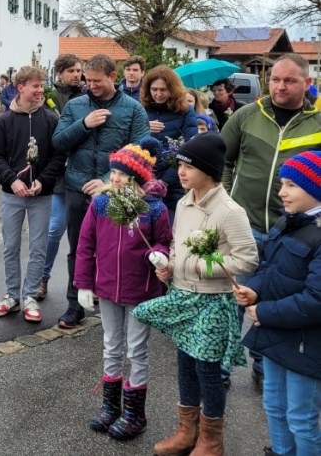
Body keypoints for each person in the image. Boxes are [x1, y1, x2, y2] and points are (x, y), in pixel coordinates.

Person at [133, 133, 258, 456]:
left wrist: (205, 266)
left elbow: (247, 258)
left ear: (209, 171)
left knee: (207, 369)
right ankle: (187, 430)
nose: (181, 172)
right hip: (182, 294)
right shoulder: (184, 202)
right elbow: (178, 244)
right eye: (180, 165)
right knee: (185, 363)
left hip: (213, 301)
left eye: (189, 166)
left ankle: (211, 440)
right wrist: (170, 266)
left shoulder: (230, 211)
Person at [222, 53, 321, 385]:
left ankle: (265, 361)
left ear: (308, 83)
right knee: (235, 296)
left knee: (276, 297)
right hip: (244, 225)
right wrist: (224, 201)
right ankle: (224, 364)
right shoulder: (247, 115)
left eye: (289, 80)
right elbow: (222, 160)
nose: (280, 86)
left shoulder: (318, 122)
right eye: (275, 79)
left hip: (294, 233)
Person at [75, 138, 172, 440]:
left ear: (138, 179)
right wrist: (84, 283)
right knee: (111, 345)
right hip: (107, 288)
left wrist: (159, 254)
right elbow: (85, 245)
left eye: (122, 175)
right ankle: (110, 405)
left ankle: (134, 412)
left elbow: (163, 241)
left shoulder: (154, 209)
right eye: (113, 172)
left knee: (137, 349)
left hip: (139, 290)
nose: (115, 179)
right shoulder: (101, 203)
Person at [53, 53, 150, 329]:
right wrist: (84, 124)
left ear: (112, 77)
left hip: (115, 192)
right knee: (78, 249)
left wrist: (106, 181)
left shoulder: (133, 109)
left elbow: (138, 151)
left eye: (96, 80)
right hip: (76, 187)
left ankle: (115, 302)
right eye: (88, 80)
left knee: (115, 249)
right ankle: (75, 306)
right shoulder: (76, 105)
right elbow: (59, 142)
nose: (91, 85)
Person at [234, 152, 321, 456]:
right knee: (274, 405)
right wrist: (254, 291)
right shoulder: (288, 223)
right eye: (282, 183)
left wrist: (263, 312)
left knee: (301, 418)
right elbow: (268, 268)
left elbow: (316, 301)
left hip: (305, 344)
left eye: (291, 185)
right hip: (274, 334)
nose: (282, 191)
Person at [0, 66, 65, 323]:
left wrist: (43, 181)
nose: (40, 91)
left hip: (41, 196)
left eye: (42, 86)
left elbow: (58, 156)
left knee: (38, 248)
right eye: (35, 86)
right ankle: (12, 295)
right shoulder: (5, 121)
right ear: (20, 87)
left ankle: (30, 295)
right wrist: (12, 181)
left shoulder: (51, 120)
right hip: (13, 195)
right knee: (11, 247)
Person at [41, 53, 84, 299]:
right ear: (60, 73)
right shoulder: (51, 98)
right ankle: (43, 277)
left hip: (82, 171)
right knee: (55, 228)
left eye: (79, 71)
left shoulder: (88, 96)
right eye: (71, 71)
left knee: (84, 235)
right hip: (59, 174)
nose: (76, 75)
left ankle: (83, 282)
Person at [141, 65, 198, 220]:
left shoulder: (185, 110)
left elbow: (190, 147)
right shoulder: (139, 109)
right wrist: (145, 127)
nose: (158, 94)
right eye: (154, 89)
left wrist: (166, 180)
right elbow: (128, 142)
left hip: (174, 183)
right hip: (142, 180)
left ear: (172, 89)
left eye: (163, 90)